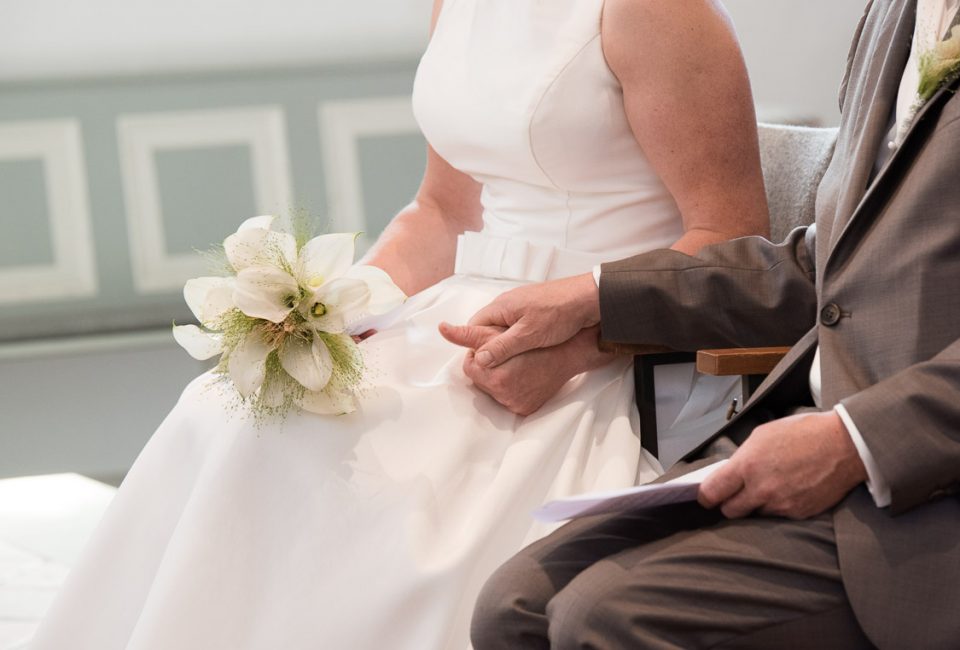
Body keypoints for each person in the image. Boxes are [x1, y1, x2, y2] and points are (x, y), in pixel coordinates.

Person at [30, 1, 770, 648]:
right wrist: (341, 307)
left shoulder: (654, 8)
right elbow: (443, 211)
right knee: (234, 416)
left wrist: (584, 325)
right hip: (458, 308)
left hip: (592, 335)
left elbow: (733, 241)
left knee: (356, 476)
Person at [462, 0, 960, 647]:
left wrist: (855, 439)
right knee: (514, 605)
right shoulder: (891, 14)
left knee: (610, 616)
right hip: (804, 437)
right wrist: (597, 301)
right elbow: (830, 262)